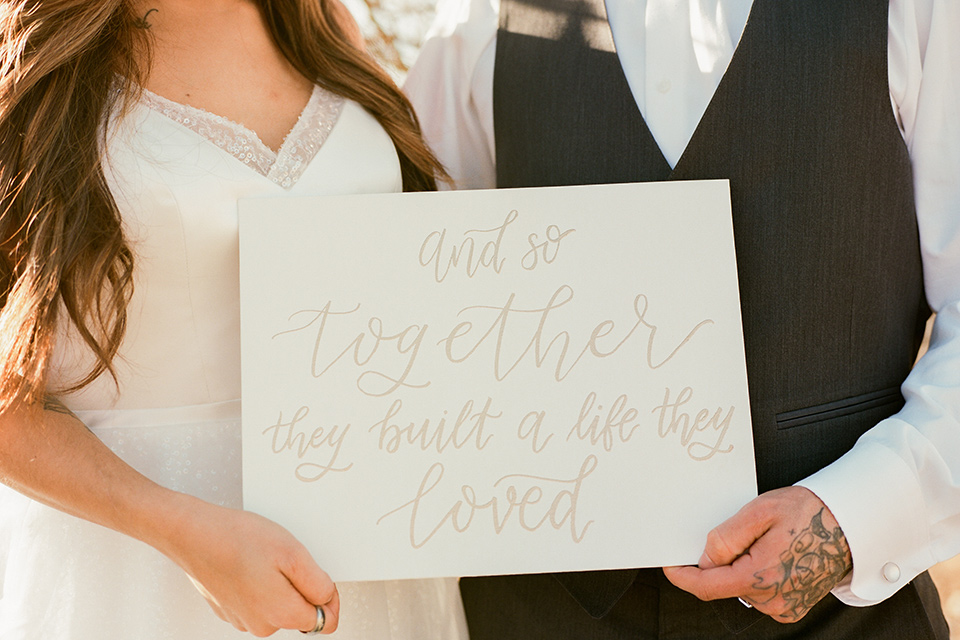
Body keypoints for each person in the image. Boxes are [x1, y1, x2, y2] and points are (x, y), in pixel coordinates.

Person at [404, 0, 960, 637]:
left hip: (845, 618)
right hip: (538, 608)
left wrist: (859, 514)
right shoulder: (478, 20)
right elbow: (417, 295)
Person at [0, 1, 469, 638]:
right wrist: (179, 529)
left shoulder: (326, 25)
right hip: (135, 576)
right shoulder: (36, 66)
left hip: (370, 570)